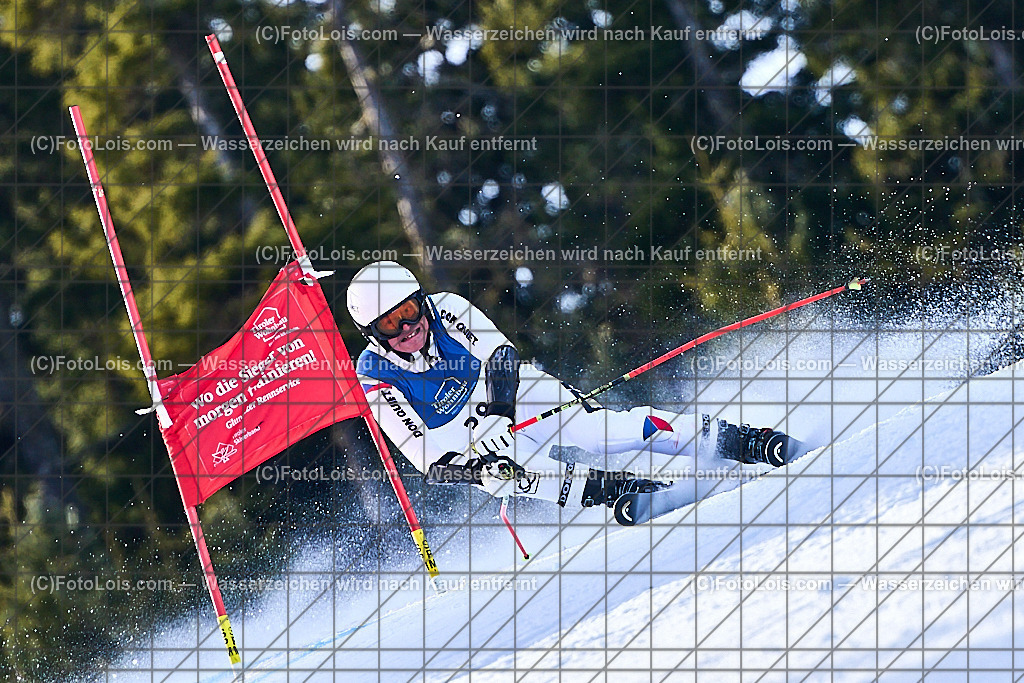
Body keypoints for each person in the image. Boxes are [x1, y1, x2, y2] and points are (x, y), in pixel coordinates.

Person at [346, 261, 799, 512]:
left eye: (409, 311)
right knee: (519, 473)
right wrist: (478, 472)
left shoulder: (446, 308)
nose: (406, 328)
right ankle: (627, 492)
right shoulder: (372, 375)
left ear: (421, 302)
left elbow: (501, 356)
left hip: (511, 393)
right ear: (373, 334)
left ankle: (737, 440)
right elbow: (427, 459)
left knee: (600, 434)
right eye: (389, 324)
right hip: (465, 438)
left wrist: (501, 414)